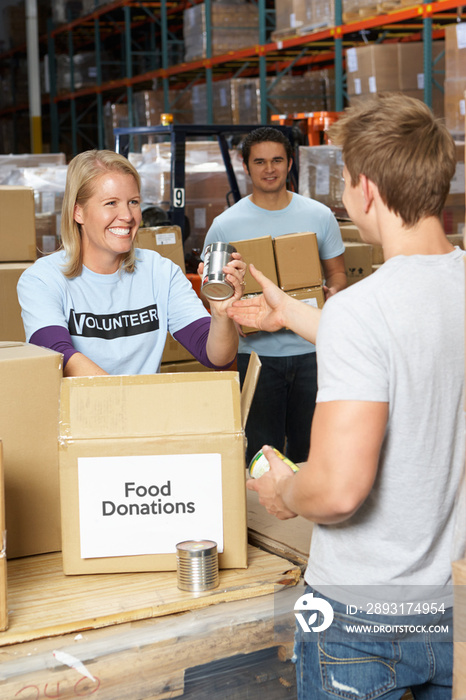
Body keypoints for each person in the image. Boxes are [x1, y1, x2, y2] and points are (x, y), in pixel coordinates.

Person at [228, 94, 465, 697]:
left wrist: (283, 489)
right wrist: (291, 314)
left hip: (361, 618)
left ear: (365, 188)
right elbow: (410, 344)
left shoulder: (364, 309)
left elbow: (335, 493)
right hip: (451, 607)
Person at [17, 149, 245, 376]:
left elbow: (217, 358)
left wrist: (220, 313)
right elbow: (57, 355)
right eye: (111, 203)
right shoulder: (42, 279)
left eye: (133, 202)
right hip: (81, 410)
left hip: (143, 408)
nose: (127, 215)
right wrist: (128, 403)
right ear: (78, 212)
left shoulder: (160, 272)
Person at [202, 126, 347, 465]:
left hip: (313, 353)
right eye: (261, 161)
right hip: (256, 357)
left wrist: (334, 293)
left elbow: (338, 273)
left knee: (314, 454)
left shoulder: (319, 216)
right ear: (246, 166)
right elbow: (211, 293)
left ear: (290, 162)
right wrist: (227, 320)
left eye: (278, 160)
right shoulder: (226, 225)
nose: (270, 169)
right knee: (260, 457)